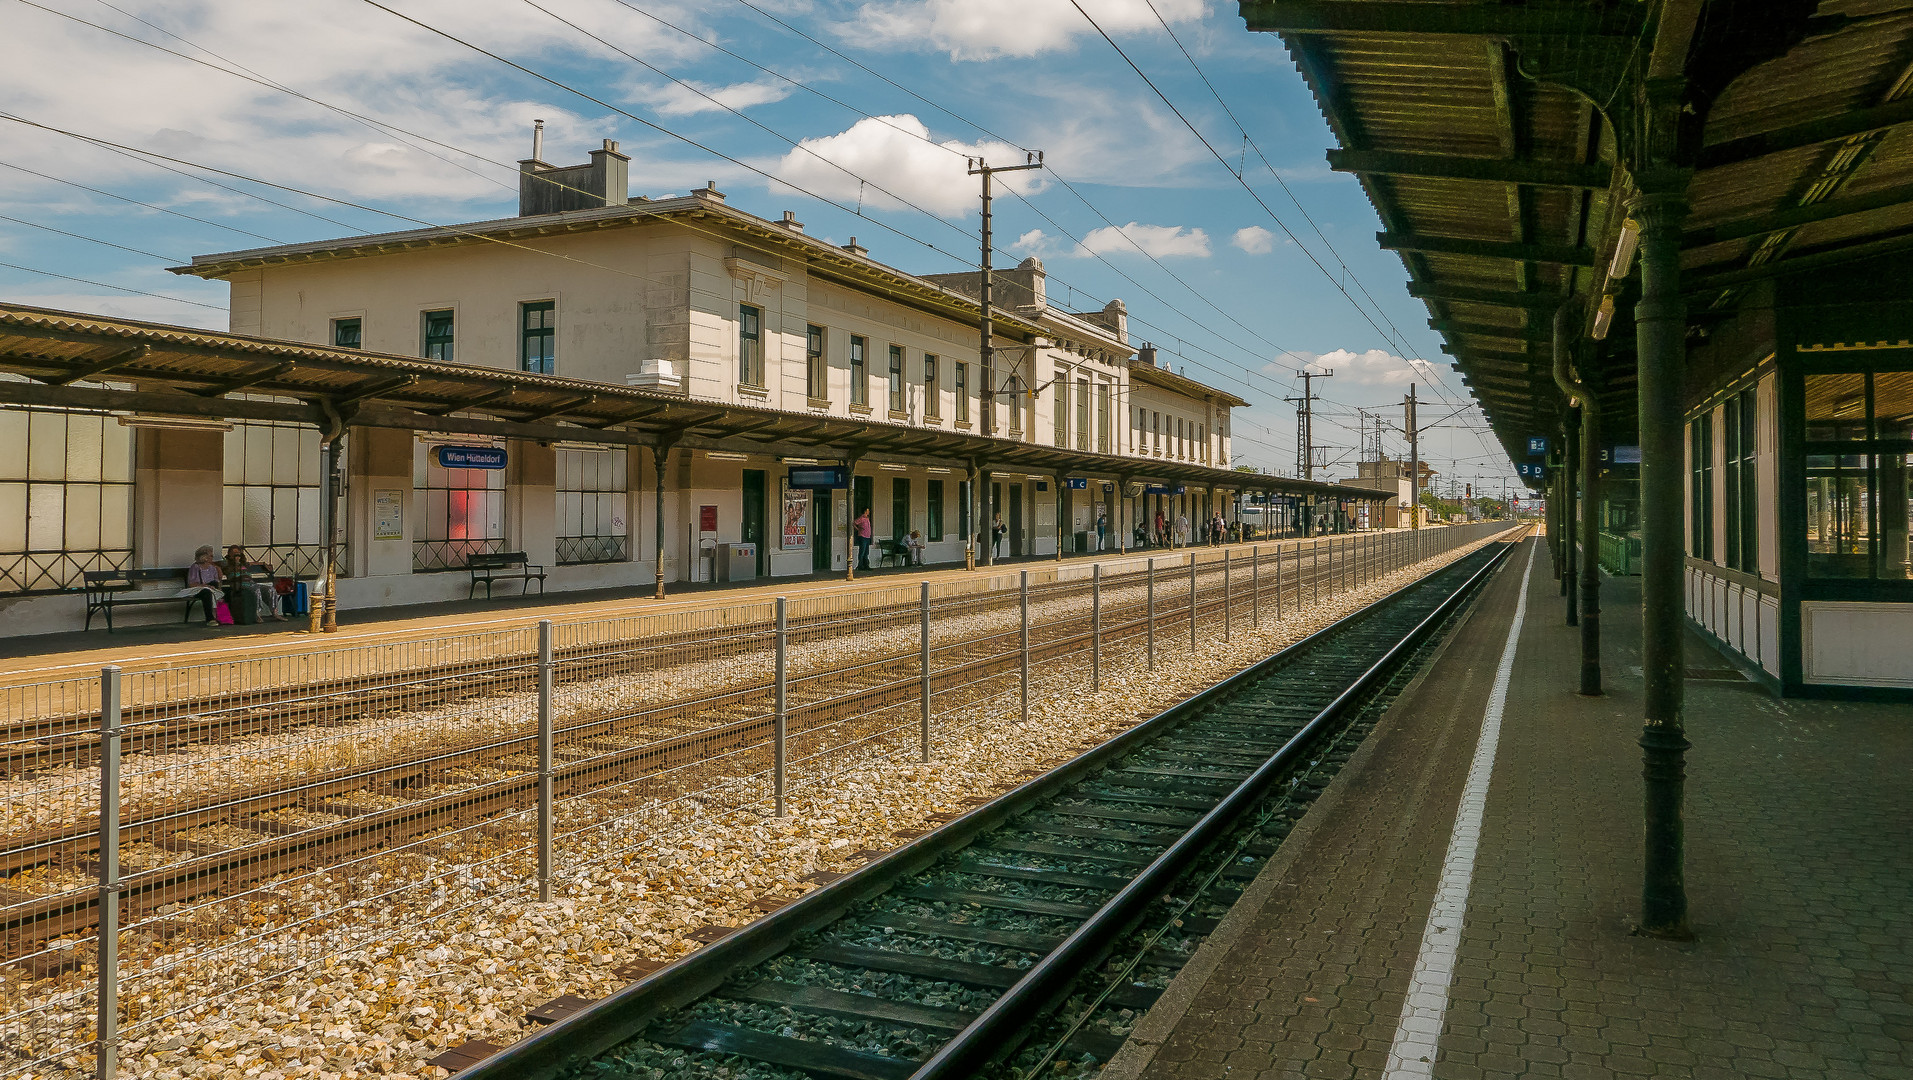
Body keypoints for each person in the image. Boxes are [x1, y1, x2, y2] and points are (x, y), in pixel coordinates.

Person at [224, 545, 286, 622]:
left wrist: (263, 563)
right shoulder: (226, 565)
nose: (237, 555)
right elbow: (215, 564)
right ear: (229, 555)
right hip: (239, 585)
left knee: (271, 589)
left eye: (238, 553)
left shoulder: (245, 564)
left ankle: (275, 612)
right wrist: (235, 562)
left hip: (251, 583)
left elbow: (254, 563)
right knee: (256, 590)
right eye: (234, 553)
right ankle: (256, 613)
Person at [183, 545, 224, 627]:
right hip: (198, 589)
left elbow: (217, 581)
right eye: (211, 556)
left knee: (221, 591)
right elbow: (192, 584)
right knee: (207, 593)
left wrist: (218, 571)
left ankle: (222, 617)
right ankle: (210, 618)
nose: (212, 558)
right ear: (204, 557)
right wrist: (206, 586)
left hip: (212, 589)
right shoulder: (195, 567)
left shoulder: (212, 568)